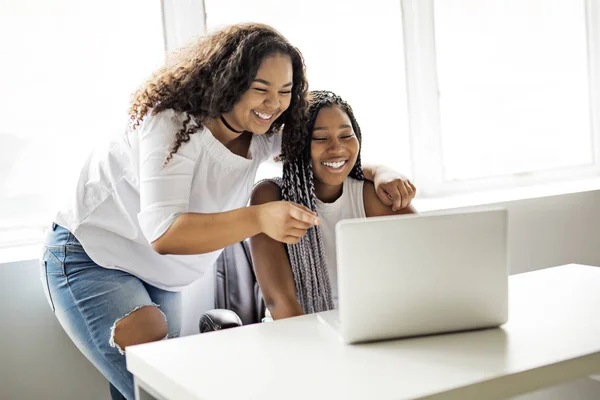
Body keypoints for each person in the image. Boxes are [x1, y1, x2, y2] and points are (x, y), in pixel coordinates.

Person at [40, 24, 415, 400]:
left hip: (163, 276)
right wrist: (260, 217)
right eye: (261, 89)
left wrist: (379, 170)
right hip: (92, 254)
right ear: (229, 80)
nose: (274, 104)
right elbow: (165, 233)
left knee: (138, 387)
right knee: (158, 385)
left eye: (285, 92)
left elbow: (327, 152)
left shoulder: (264, 130)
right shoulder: (172, 123)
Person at [250, 90, 417, 318]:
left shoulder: (372, 195)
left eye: (346, 135)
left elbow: (428, 264)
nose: (336, 147)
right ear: (297, 145)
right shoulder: (269, 195)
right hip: (298, 332)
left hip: (371, 325)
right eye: (320, 138)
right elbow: (279, 302)